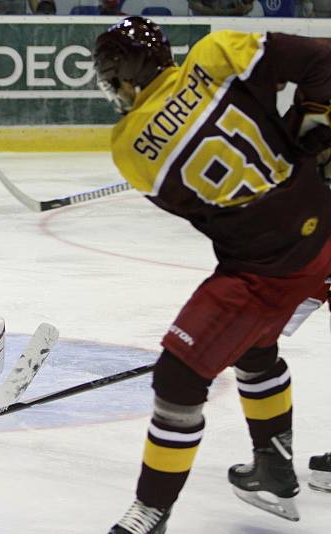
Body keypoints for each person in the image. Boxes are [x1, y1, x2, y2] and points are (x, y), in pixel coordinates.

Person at [93, 17, 331, 533]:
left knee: (179, 375)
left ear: (128, 78)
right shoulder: (219, 50)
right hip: (321, 217)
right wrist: (313, 122)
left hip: (270, 266)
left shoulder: (130, 145)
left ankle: (152, 510)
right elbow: (321, 59)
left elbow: (217, 214)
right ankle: (272, 465)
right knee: (254, 345)